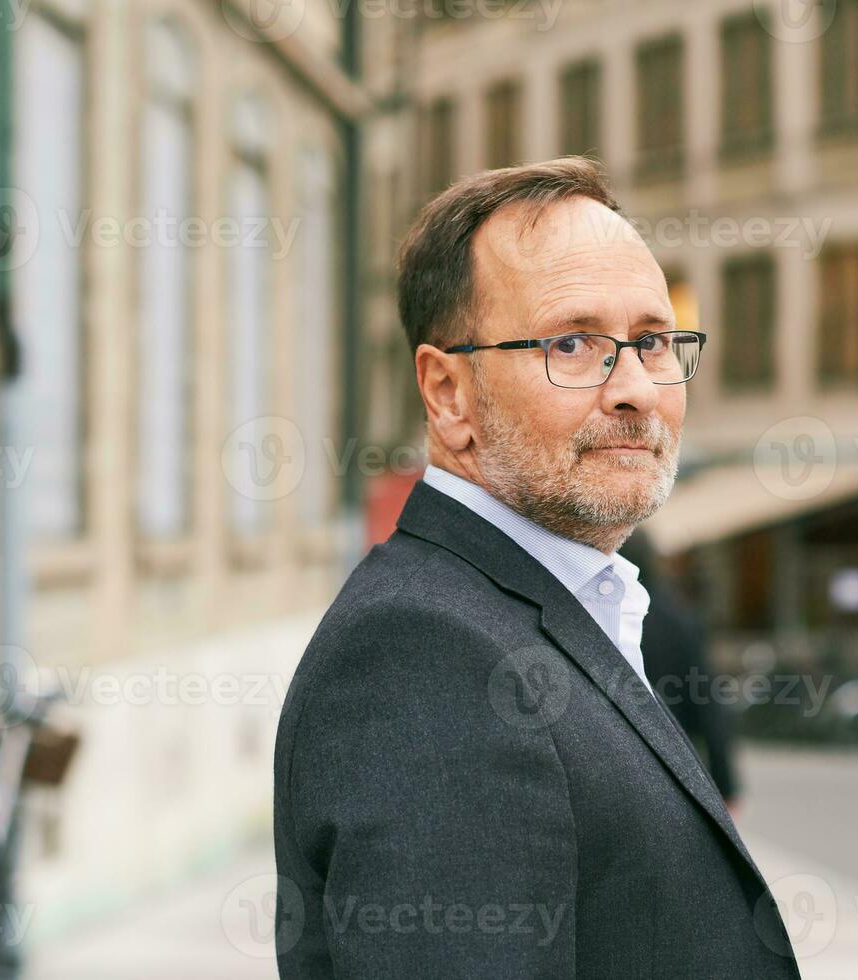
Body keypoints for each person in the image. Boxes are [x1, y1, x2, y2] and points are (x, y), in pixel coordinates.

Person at [272, 158, 799, 979]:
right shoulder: (422, 658)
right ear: (448, 394)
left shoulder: (567, 601)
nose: (635, 389)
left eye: (653, 341)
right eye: (572, 343)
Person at [619, 530, 740, 806]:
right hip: (675, 756)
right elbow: (709, 704)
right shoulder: (679, 620)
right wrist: (725, 783)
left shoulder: (596, 612)